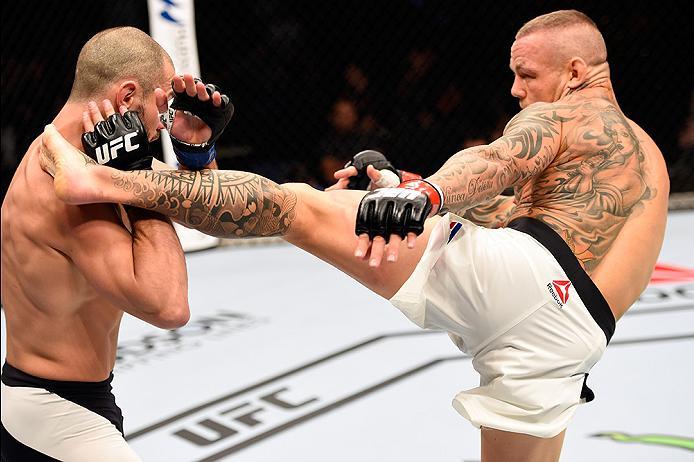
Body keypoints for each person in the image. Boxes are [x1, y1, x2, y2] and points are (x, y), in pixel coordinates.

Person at [38, 10, 669, 462]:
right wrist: (404, 181)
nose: (516, 90)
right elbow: (524, 233)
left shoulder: (569, 112)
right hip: (568, 340)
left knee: (299, 207)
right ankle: (179, 170)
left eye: (526, 74)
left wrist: (422, 197)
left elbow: (494, 161)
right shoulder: (642, 158)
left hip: (531, 288)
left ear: (577, 69)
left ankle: (107, 182)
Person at [0, 26, 231, 461]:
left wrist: (196, 153)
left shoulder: (87, 160)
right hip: (55, 415)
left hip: (61, 402)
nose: (161, 124)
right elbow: (168, 307)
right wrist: (139, 180)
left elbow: (218, 218)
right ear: (126, 98)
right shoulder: (61, 187)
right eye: (161, 109)